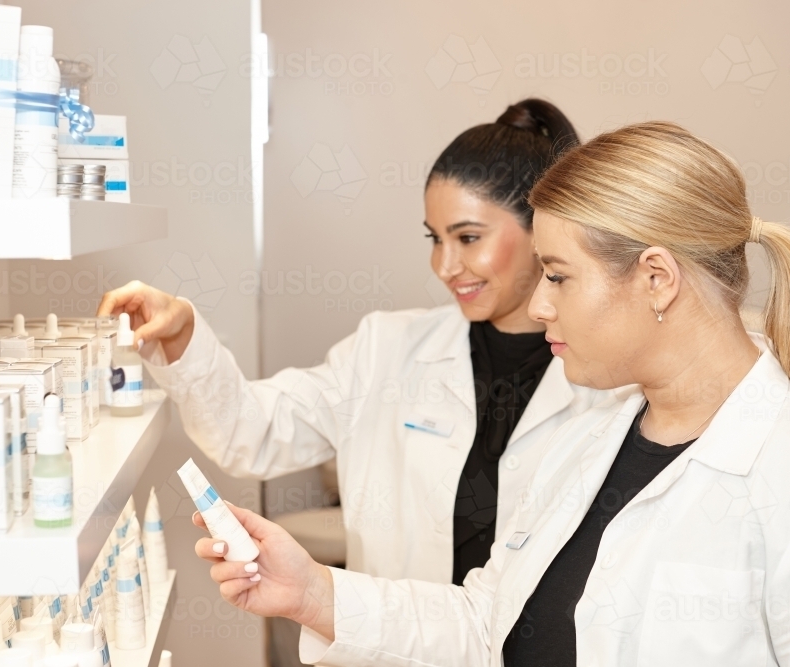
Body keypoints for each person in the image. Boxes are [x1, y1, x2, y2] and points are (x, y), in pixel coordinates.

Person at [193, 121, 790, 666]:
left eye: (558, 276)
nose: (538, 307)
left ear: (656, 278)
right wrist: (316, 592)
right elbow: (490, 624)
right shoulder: (594, 444)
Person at [98, 99, 606, 586]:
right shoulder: (386, 350)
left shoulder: (609, 378)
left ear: (540, 229)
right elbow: (248, 431)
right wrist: (185, 335)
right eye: (434, 238)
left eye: (468, 238)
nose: (444, 266)